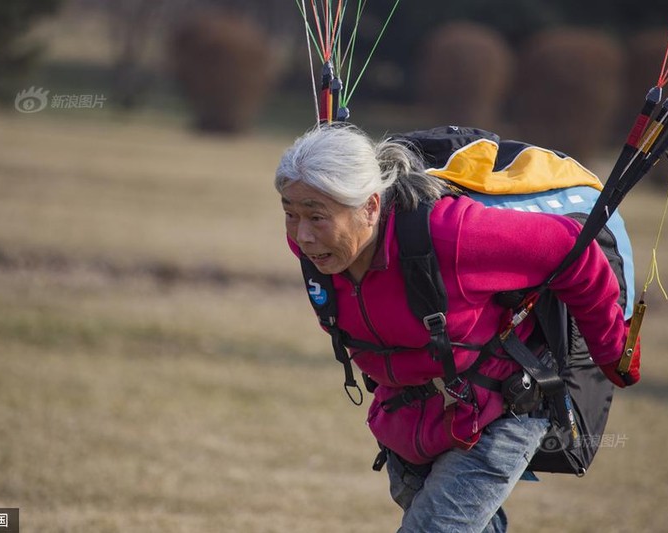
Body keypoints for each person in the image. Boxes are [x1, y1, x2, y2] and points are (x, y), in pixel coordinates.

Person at [274, 124, 641, 532]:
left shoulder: (453, 234)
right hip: (409, 423)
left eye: (317, 217)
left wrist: (613, 350)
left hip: (499, 411)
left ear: (370, 207)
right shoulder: (318, 248)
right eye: (290, 214)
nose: (302, 236)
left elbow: (572, 250)